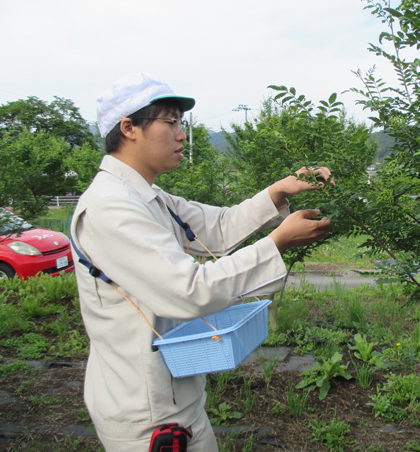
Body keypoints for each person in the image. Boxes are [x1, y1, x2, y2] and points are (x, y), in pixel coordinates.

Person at [70, 73, 332, 452]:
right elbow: (188, 291)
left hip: (173, 399)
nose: (182, 135)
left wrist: (279, 190)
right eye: (171, 122)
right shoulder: (110, 207)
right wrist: (278, 243)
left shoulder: (147, 195)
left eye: (182, 123)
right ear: (128, 128)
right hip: (146, 417)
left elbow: (218, 226)